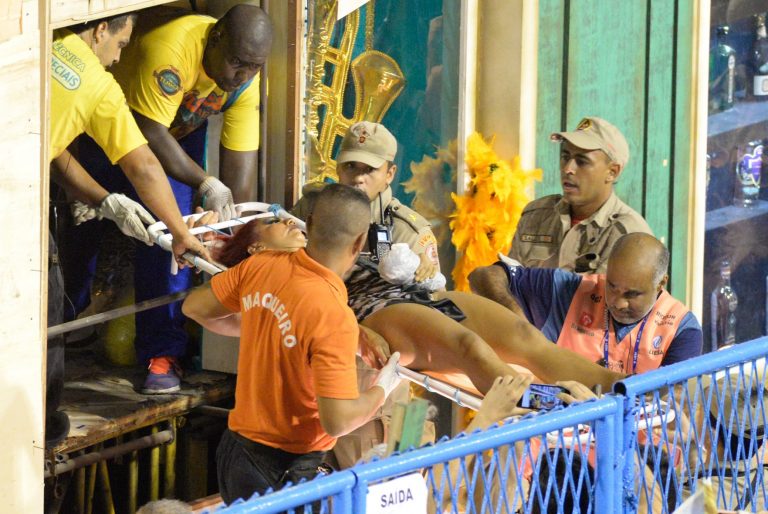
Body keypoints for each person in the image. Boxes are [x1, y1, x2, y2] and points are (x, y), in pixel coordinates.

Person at [67, 5, 273, 393]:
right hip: (117, 126)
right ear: (215, 38)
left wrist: (230, 227)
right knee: (84, 225)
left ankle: (162, 351)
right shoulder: (174, 47)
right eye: (235, 63)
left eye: (252, 67)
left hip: (176, 133)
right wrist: (205, 182)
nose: (241, 76)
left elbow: (239, 170)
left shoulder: (244, 81)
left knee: (175, 239)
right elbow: (148, 133)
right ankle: (68, 320)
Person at [181, 184, 403, 504]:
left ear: (308, 225)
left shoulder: (262, 265)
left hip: (236, 454)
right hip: (283, 471)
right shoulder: (332, 315)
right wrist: (382, 388)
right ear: (359, 242)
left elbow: (195, 308)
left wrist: (266, 324)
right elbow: (337, 420)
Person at [47, 13, 209, 443]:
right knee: (42, 309)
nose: (119, 58)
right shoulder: (100, 87)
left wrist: (102, 199)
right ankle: (40, 420)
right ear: (100, 29)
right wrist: (180, 231)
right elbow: (141, 163)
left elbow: (53, 147)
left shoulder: (44, 42)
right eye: (121, 44)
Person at [470, 233, 703, 373]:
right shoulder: (573, 290)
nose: (618, 303)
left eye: (632, 294)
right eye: (612, 286)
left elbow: (670, 399)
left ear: (661, 283)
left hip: (639, 452)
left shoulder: (683, 329)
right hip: (556, 450)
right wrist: (518, 324)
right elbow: (484, 276)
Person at [508, 117, 652, 277]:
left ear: (612, 172)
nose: (568, 169)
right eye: (565, 157)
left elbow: (612, 300)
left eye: (582, 162)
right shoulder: (536, 216)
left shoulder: (628, 236)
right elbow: (509, 281)